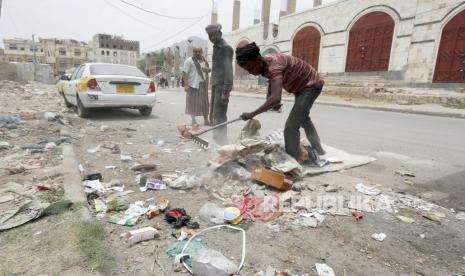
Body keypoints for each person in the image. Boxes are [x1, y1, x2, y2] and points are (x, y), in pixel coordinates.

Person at [236, 42, 326, 163]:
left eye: (251, 68)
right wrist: (270, 99)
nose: (251, 72)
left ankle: (292, 161)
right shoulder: (265, 64)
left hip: (311, 85)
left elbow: (276, 98)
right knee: (303, 118)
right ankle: (319, 149)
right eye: (248, 70)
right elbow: (272, 85)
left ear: (258, 59)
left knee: (291, 126)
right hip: (301, 86)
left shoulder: (274, 65)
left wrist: (253, 113)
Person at [205, 24, 233, 145]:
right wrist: (210, 71)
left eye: (214, 35)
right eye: (210, 36)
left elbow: (228, 70)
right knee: (213, 114)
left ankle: (222, 141)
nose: (212, 37)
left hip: (222, 86)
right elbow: (220, 68)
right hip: (216, 84)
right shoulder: (216, 47)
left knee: (219, 114)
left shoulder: (226, 48)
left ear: (220, 34)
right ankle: (217, 139)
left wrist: (226, 91)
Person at [182, 47, 211, 126]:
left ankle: (206, 120)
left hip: (203, 85)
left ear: (202, 52)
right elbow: (184, 73)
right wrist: (186, 85)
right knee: (192, 104)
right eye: (195, 52)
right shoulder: (189, 61)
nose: (198, 53)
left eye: (199, 51)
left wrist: (207, 69)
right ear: (193, 52)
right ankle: (193, 121)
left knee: (205, 103)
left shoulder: (204, 60)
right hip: (193, 85)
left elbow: (207, 70)